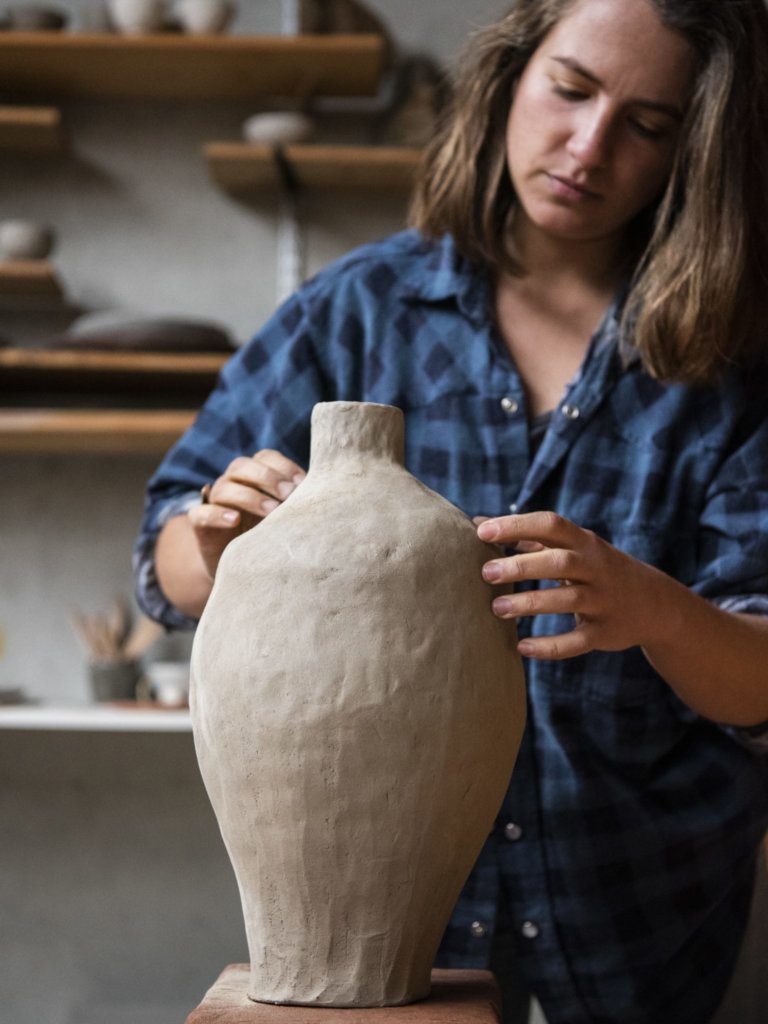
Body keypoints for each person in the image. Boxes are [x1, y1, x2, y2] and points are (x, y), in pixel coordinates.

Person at [133, 0, 768, 1021]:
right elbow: (163, 568)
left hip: (641, 927)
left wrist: (652, 609)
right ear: (511, 79)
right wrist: (209, 536)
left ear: (695, 147)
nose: (589, 146)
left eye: (649, 124)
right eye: (569, 90)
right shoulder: (359, 312)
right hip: (376, 945)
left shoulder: (728, 366)